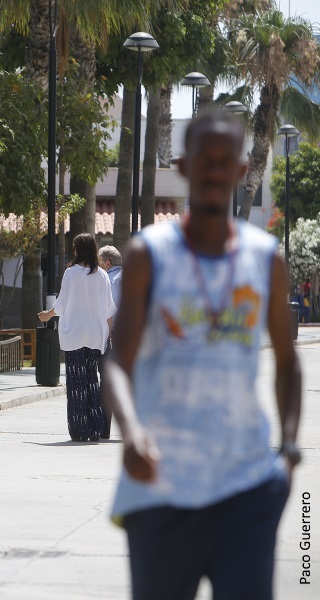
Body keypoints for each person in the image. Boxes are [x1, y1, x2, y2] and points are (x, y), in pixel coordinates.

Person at [102, 111, 302, 600]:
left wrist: (289, 445)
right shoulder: (150, 254)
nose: (214, 171)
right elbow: (118, 363)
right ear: (183, 166)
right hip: (162, 488)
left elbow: (287, 359)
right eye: (203, 161)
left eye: (225, 161)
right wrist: (131, 432)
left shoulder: (265, 258)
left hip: (246, 486)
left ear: (241, 169)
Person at [38, 233, 116, 441]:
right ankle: (95, 428)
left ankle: (80, 430)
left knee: (76, 384)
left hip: (74, 334)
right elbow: (109, 309)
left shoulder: (71, 273)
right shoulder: (103, 275)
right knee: (92, 381)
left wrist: (47, 315)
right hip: (95, 336)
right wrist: (108, 336)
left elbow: (61, 304)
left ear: (77, 250)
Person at [98, 245, 123, 439]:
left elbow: (111, 310)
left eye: (99, 262)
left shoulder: (110, 279)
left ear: (107, 263)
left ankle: (104, 428)